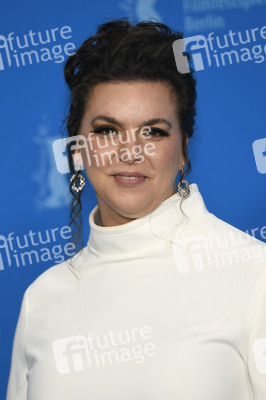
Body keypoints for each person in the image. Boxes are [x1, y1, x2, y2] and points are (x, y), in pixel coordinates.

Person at [6, 18, 266, 400]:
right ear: (77, 150)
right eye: (107, 130)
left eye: (153, 132)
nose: (130, 152)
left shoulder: (254, 275)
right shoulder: (41, 299)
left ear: (182, 151)